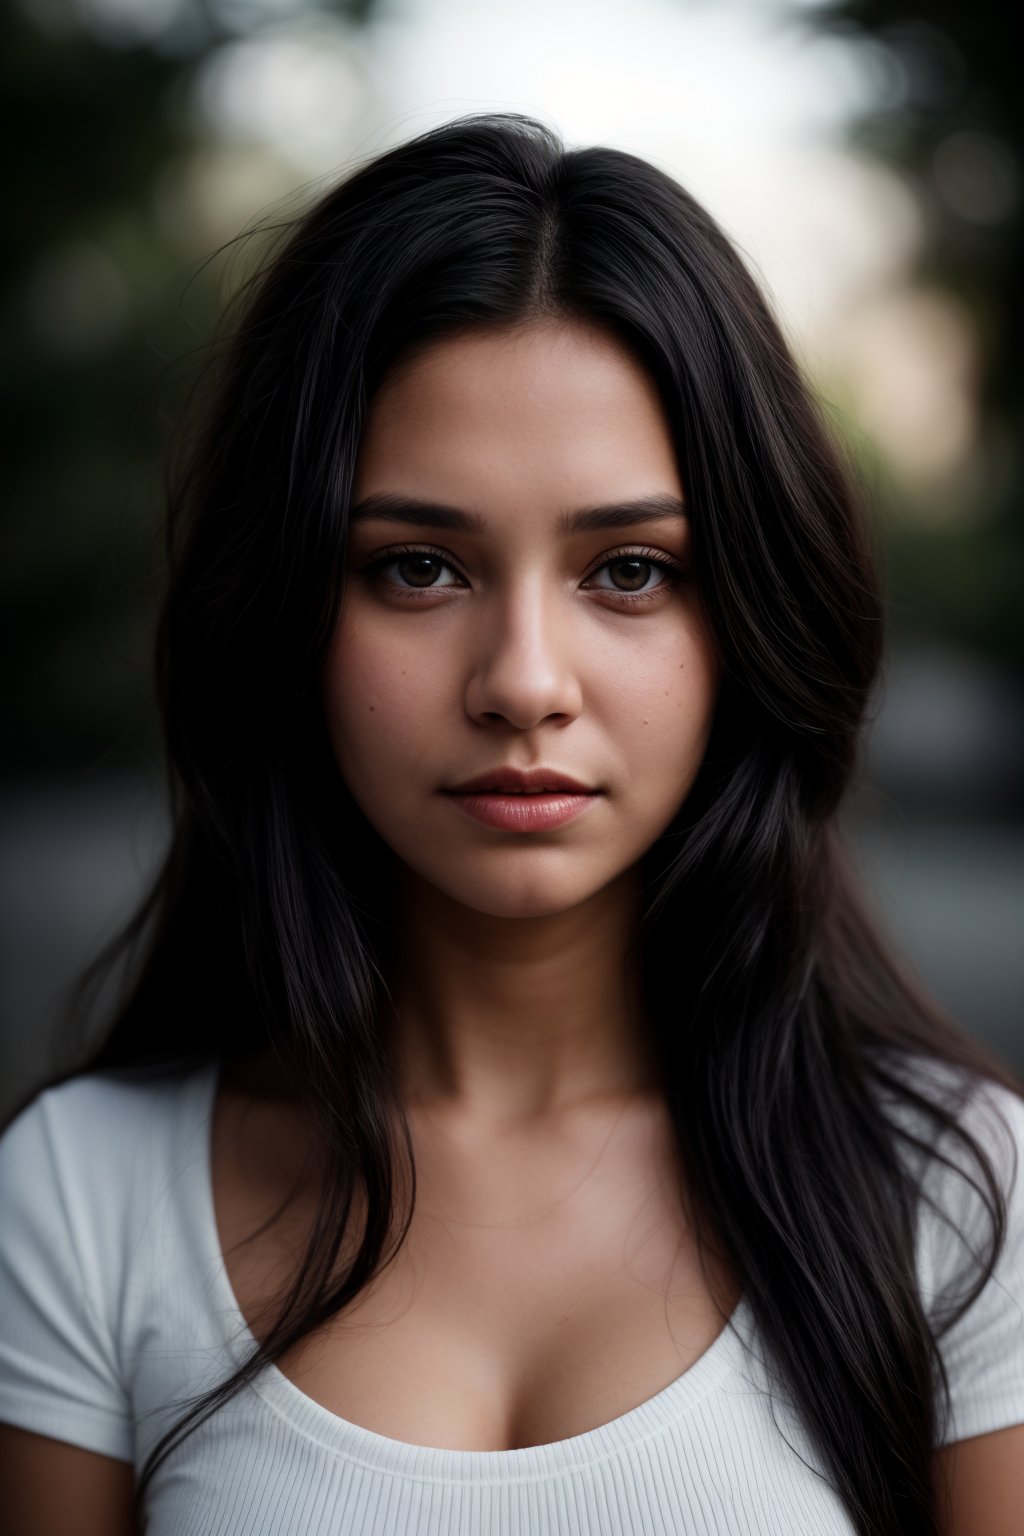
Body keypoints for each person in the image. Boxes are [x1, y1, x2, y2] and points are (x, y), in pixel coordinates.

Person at [0, 112, 1021, 1536]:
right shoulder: (80, 1198)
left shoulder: (965, 1201)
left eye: (630, 570)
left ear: (750, 613)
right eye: (418, 567)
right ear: (288, 607)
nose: (524, 682)